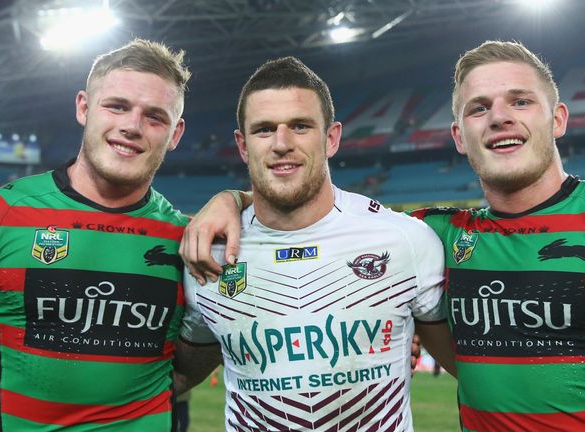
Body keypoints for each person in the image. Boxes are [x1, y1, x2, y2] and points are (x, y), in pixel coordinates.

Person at [181, 41, 585, 432]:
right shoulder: (431, 234)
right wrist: (232, 199)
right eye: (478, 108)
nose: (499, 117)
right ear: (458, 135)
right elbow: (308, 204)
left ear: (558, 119)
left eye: (520, 101)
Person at [0, 39, 195, 431]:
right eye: (117, 106)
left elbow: (198, 360)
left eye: (155, 117)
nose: (131, 126)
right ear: (84, 107)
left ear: (175, 134)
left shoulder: (190, 239)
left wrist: (234, 198)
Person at [177, 56, 455, 431]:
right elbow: (174, 376)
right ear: (242, 145)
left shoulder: (404, 240)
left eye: (300, 126)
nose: (281, 143)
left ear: (331, 138)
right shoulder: (207, 254)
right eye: (263, 130)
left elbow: (477, 374)